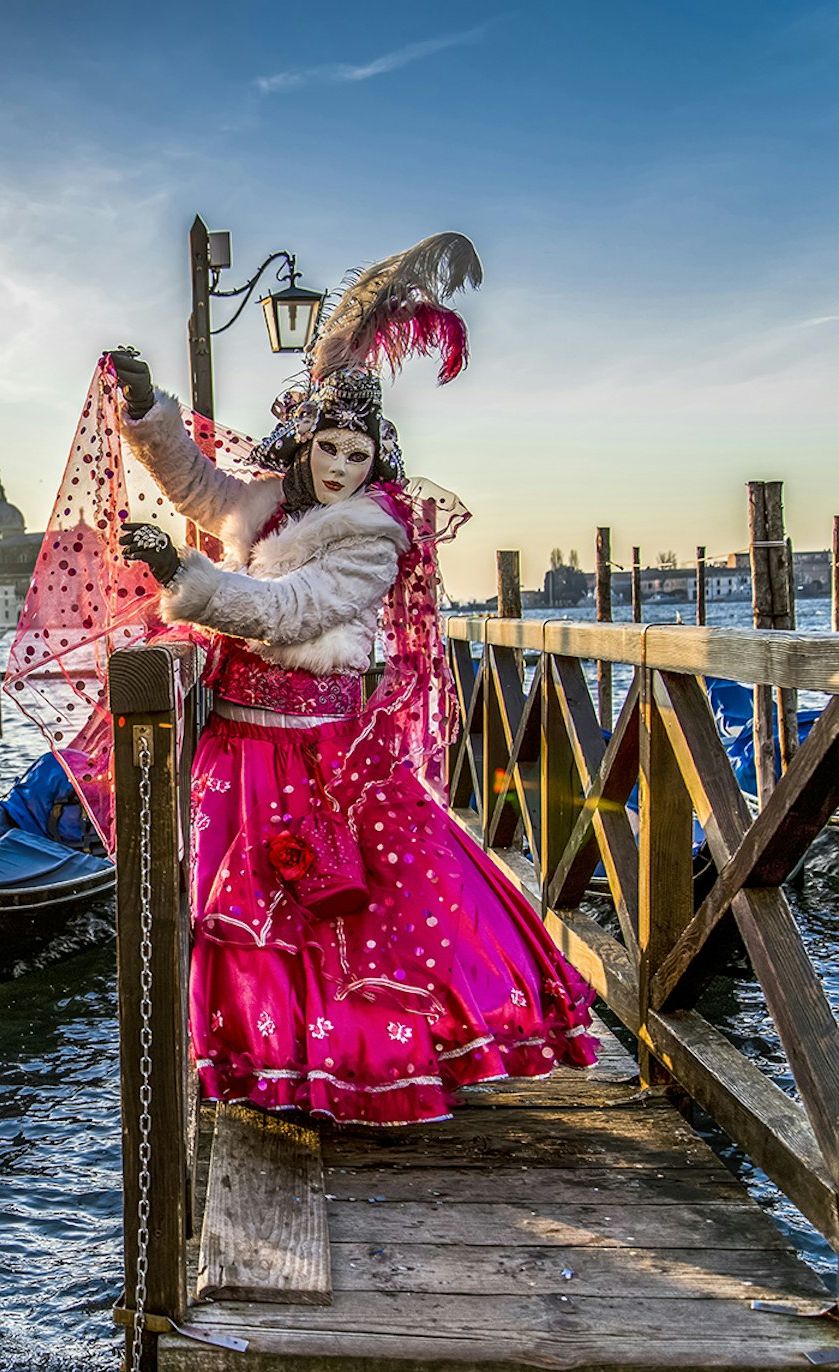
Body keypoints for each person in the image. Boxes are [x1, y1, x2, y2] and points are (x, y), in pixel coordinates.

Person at [106, 233, 596, 1126]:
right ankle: (276, 1068)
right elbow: (194, 483)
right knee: (248, 925)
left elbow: (285, 612)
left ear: (377, 466)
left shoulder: (371, 538)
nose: (340, 468)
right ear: (305, 446)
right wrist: (148, 413)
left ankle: (369, 1069)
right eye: (329, 448)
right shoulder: (265, 503)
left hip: (326, 752)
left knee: (361, 917)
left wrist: (184, 576)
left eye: (358, 456)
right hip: (242, 745)